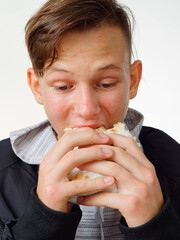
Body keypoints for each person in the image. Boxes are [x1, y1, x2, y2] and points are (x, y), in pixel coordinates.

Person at [0, 0, 180, 239]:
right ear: (36, 87)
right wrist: (41, 221)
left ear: (133, 80)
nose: (86, 109)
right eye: (63, 86)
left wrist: (156, 226)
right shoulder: (3, 173)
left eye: (106, 84)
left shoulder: (173, 163)